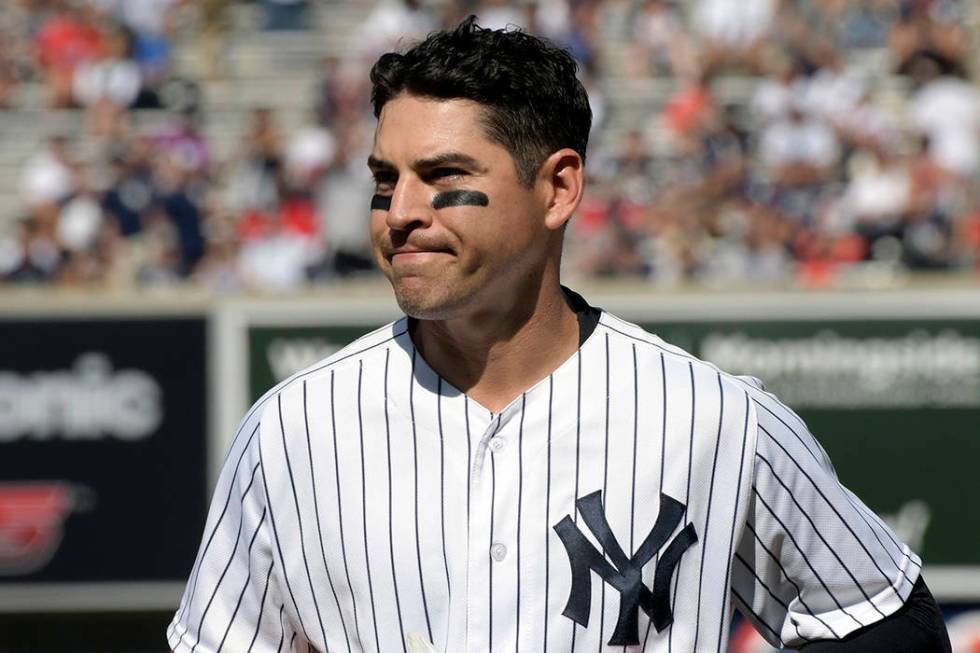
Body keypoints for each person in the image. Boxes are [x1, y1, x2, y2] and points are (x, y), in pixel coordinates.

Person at [168, 17, 950, 652]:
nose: (401, 210)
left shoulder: (711, 417)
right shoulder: (293, 428)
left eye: (444, 178)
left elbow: (886, 622)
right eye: (384, 179)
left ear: (559, 187)